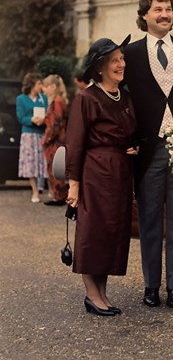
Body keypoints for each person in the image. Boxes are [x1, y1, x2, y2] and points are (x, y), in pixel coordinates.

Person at [123, 0, 173, 308]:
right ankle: (151, 286)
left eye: (168, 9)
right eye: (158, 9)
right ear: (145, 15)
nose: (165, 14)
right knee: (150, 219)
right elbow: (120, 100)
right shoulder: (131, 54)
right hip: (148, 151)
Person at [64, 34, 138, 316]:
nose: (121, 64)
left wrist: (134, 148)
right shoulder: (86, 98)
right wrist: (74, 184)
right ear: (99, 67)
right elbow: (75, 142)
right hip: (94, 173)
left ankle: (103, 294)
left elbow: (132, 133)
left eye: (121, 59)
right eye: (114, 60)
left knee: (112, 231)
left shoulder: (126, 97)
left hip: (119, 172)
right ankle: (92, 295)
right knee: (93, 231)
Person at [16, 72, 48, 203]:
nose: (41, 86)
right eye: (39, 83)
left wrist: (43, 120)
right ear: (32, 85)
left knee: (44, 162)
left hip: (41, 133)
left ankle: (50, 190)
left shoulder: (43, 98)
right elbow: (21, 117)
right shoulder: (21, 99)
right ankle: (35, 191)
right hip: (29, 134)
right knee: (31, 164)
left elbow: (48, 112)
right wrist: (31, 120)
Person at [41, 74, 69, 206]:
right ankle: (58, 196)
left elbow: (56, 123)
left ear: (53, 87)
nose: (44, 89)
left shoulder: (57, 102)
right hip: (56, 140)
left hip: (55, 142)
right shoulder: (58, 100)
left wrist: (47, 139)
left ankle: (59, 196)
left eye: (46, 86)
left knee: (54, 169)